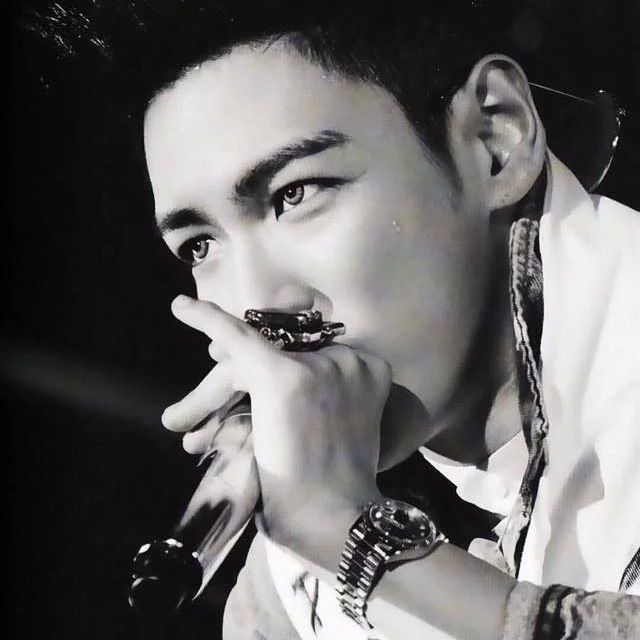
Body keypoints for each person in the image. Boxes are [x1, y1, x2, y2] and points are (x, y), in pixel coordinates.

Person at [33, 1, 639, 638]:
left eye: (294, 194)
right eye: (200, 247)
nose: (256, 307)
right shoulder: (296, 574)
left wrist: (359, 543)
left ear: (495, 141)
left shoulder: (330, 526)